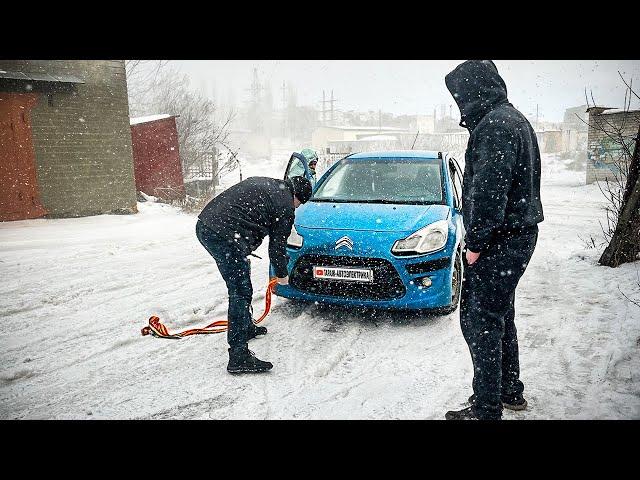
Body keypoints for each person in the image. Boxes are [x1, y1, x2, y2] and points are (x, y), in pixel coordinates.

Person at [443, 60, 544, 420]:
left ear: (472, 90)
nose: (459, 105)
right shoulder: (511, 118)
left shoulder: (494, 127)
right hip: (517, 234)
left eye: (460, 97)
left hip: (501, 239)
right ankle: (509, 390)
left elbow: (488, 193)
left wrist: (475, 244)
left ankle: (486, 408)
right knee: (501, 313)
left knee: (479, 321)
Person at [196, 175, 313, 374]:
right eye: (299, 203)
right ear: (297, 196)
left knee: (241, 280)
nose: (297, 207)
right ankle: (238, 356)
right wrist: (282, 276)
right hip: (223, 235)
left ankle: (246, 326)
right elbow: (276, 247)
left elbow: (246, 210)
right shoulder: (285, 206)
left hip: (207, 224)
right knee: (240, 291)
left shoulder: (268, 184)